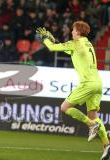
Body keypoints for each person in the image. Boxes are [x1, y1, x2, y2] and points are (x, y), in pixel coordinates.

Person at [36, 21, 110, 160]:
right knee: (93, 115)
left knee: (64, 107)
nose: (71, 32)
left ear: (78, 32)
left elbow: (52, 48)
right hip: (98, 83)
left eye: (73, 30)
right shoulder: (88, 44)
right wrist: (54, 40)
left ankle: (91, 125)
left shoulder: (75, 44)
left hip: (87, 83)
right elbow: (66, 48)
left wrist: (46, 39)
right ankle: (107, 145)